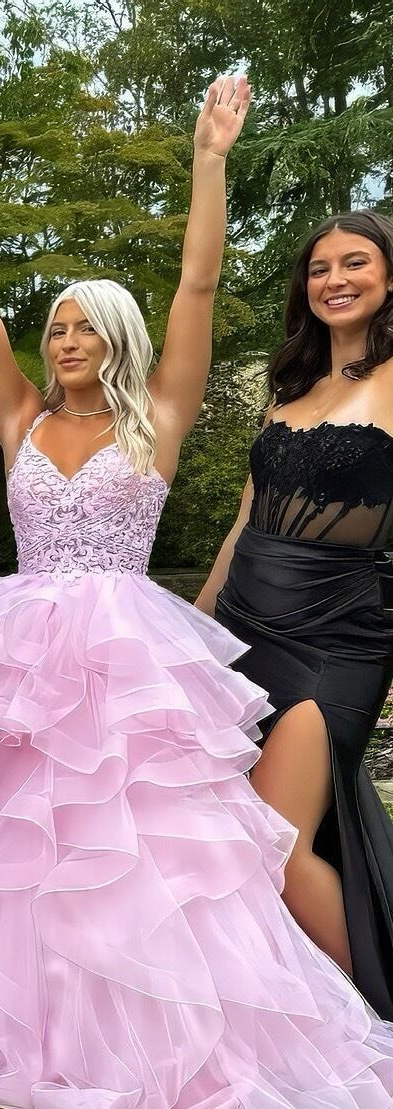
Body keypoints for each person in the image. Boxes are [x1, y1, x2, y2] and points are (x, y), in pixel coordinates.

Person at [0, 81, 393, 1109]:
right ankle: (45, 1033)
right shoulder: (19, 415)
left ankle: (173, 1029)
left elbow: (198, 283)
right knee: (34, 844)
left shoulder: (163, 414)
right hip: (25, 652)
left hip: (129, 655)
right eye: (57, 326)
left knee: (152, 850)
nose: (65, 338)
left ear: (118, 338)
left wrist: (211, 159)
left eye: (84, 326)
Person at [197, 209, 393, 1019]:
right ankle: (291, 1007)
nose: (334, 280)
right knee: (233, 829)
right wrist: (196, 629)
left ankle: (372, 1014)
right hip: (246, 622)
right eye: (318, 268)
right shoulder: (292, 386)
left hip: (339, 633)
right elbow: (247, 518)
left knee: (272, 843)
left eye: (354, 263)